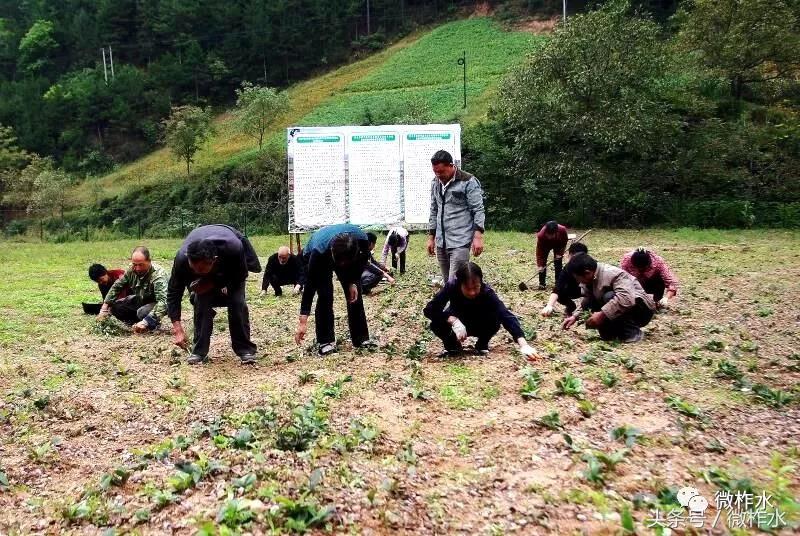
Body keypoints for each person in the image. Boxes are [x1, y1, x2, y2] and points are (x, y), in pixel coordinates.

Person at [167, 224, 262, 365]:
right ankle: (199, 351)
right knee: (201, 301)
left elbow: (240, 275)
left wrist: (212, 283)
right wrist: (178, 329)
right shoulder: (182, 259)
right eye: (195, 269)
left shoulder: (233, 249)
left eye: (202, 269)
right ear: (188, 259)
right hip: (206, 265)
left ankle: (245, 349)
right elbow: (174, 292)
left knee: (237, 302)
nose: (198, 272)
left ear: (214, 260)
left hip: (230, 265)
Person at [424, 262, 539, 359]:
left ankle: (482, 343)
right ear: (460, 284)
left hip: (480, 323)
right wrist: (452, 320)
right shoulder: (451, 286)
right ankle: (452, 345)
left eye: (476, 287)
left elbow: (506, 315)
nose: (472, 292)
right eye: (468, 289)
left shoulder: (487, 292)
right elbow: (429, 309)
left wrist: (523, 344)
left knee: (496, 318)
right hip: (457, 324)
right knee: (436, 323)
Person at [294, 223, 376, 355]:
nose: (342, 266)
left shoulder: (362, 241)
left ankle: (361, 338)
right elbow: (309, 288)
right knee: (325, 296)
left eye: (345, 263)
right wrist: (303, 321)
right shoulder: (318, 253)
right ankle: (325, 341)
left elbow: (362, 260)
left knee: (355, 295)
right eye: (340, 263)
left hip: (345, 254)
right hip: (319, 254)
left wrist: (353, 282)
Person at [562, 254, 656, 343]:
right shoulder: (591, 278)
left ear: (587, 273)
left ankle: (632, 333)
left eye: (577, 278)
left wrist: (602, 314)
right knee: (589, 302)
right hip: (622, 308)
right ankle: (614, 334)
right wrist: (575, 316)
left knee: (609, 296)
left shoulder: (613, 274)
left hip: (642, 310)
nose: (578, 282)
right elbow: (588, 300)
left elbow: (626, 298)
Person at [426, 150, 485, 282]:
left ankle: (457, 302)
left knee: (455, 282)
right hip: (441, 241)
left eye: (441, 171)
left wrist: (478, 236)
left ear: (451, 165)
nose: (438, 175)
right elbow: (434, 209)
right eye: (435, 172)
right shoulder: (435, 183)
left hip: (460, 241)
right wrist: (431, 237)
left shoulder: (468, 181)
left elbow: (478, 210)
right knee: (448, 282)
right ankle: (453, 302)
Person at [97, 246, 169, 333]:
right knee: (116, 307)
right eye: (135, 264)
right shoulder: (132, 270)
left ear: (149, 261)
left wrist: (146, 321)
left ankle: (151, 323)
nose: (137, 268)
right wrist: (104, 308)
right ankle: (137, 323)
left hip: (161, 302)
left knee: (142, 312)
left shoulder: (158, 275)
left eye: (141, 265)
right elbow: (117, 286)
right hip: (142, 299)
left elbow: (163, 301)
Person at [541, 242, 589, 317]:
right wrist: (549, 305)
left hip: (591, 290)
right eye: (573, 258)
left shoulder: (591, 266)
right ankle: (571, 306)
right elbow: (558, 288)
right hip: (576, 290)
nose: (575, 262)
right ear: (569, 256)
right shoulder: (568, 268)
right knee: (561, 292)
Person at [535, 220, 569, 290]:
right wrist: (540, 265)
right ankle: (542, 284)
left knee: (558, 262)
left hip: (558, 244)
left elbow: (564, 242)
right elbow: (539, 252)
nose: (549, 237)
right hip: (545, 245)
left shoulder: (562, 230)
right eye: (548, 234)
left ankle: (558, 283)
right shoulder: (541, 235)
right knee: (542, 264)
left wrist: (560, 253)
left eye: (551, 235)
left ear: (556, 232)